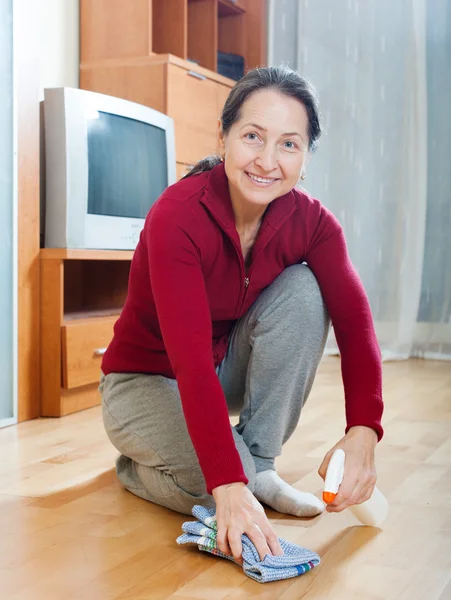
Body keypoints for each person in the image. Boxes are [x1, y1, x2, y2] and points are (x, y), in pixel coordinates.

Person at [99, 65, 383, 565]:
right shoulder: (176, 217)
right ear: (225, 137)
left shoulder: (313, 223)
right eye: (253, 136)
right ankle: (140, 468)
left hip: (221, 365)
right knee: (218, 490)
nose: (267, 161)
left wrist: (363, 430)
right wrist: (227, 484)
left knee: (306, 289)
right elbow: (186, 360)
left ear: (306, 156)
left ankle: (261, 464)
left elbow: (355, 322)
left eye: (289, 144)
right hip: (143, 380)